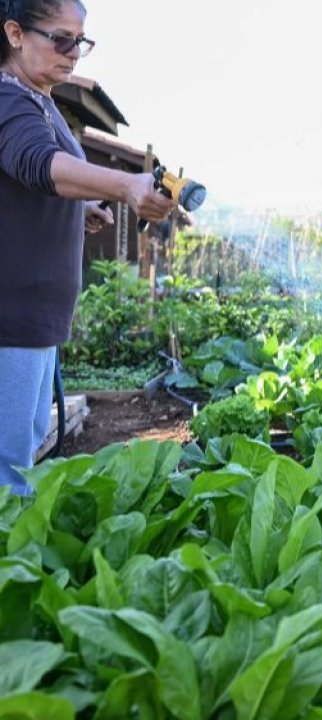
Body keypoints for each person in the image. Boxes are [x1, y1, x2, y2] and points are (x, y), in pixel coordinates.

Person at [0, 0, 175, 496]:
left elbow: (28, 190)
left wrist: (79, 210)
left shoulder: (41, 101)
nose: (74, 53)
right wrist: (123, 186)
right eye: (61, 39)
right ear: (15, 33)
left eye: (80, 41)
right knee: (7, 474)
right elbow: (36, 163)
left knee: (21, 461)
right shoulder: (7, 100)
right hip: (10, 319)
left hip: (35, 321)